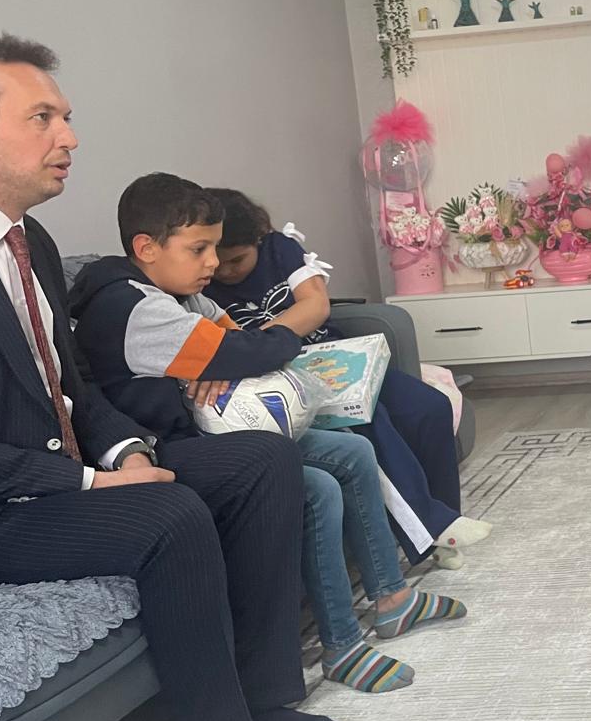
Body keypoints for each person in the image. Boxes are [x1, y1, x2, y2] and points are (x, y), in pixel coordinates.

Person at [0, 35, 345, 721]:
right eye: (42, 117)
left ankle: (263, 702)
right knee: (167, 515)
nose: (69, 137)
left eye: (65, 117)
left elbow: (71, 388)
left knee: (260, 462)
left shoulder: (29, 240)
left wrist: (128, 453)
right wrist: (88, 485)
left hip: (51, 478)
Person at [69, 174, 466, 695]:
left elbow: (236, 340)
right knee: (317, 488)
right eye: (199, 249)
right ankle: (342, 646)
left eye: (215, 248)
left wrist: (229, 356)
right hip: (166, 449)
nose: (212, 264)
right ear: (146, 248)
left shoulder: (180, 293)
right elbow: (250, 350)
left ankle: (393, 600)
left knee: (353, 450)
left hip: (212, 431)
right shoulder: (134, 308)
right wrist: (233, 355)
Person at [201, 188, 489, 568]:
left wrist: (252, 344)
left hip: (335, 360)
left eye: (236, 260)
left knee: (430, 406)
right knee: (369, 419)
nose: (224, 271)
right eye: (218, 262)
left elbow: (316, 305)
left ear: (256, 239)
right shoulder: (201, 278)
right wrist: (259, 351)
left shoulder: (278, 248)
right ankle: (432, 528)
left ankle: (445, 524)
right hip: (282, 379)